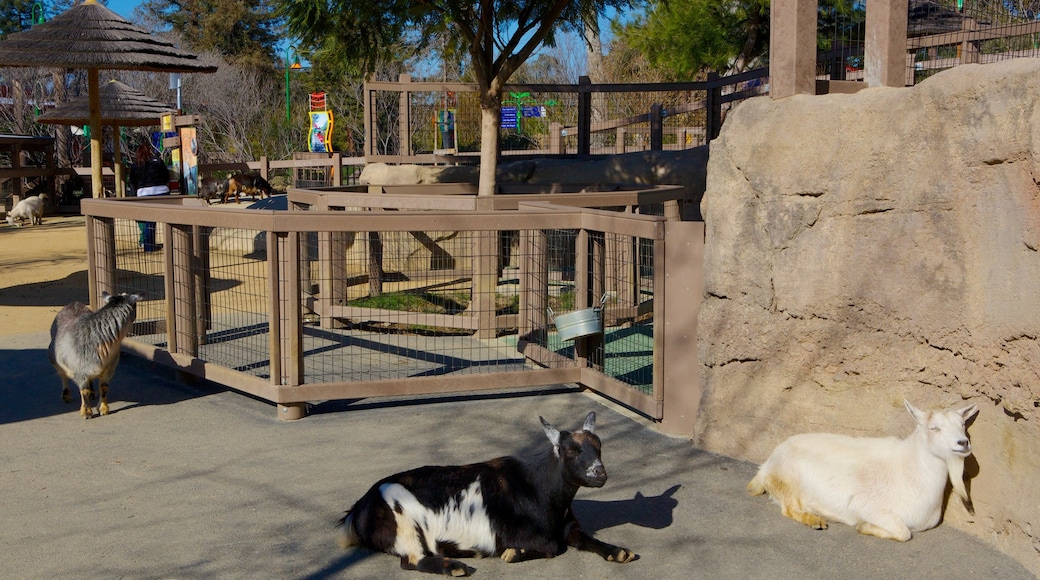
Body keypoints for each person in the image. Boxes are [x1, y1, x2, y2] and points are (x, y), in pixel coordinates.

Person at [128, 142, 170, 252]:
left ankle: (149, 246)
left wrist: (134, 196)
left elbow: (132, 182)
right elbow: (167, 176)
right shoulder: (158, 161)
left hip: (144, 194)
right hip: (162, 192)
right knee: (170, 218)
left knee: (149, 220)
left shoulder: (135, 165)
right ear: (150, 150)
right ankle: (172, 243)